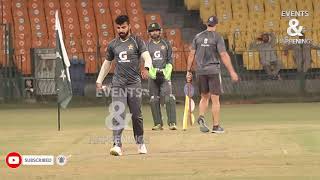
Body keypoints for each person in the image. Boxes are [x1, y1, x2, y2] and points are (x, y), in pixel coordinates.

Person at [96, 15, 153, 156]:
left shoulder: (137, 41)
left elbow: (147, 56)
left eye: (123, 27)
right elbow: (107, 64)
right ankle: (117, 145)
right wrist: (99, 80)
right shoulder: (113, 44)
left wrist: (146, 68)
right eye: (118, 28)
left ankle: (140, 143)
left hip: (134, 84)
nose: (121, 30)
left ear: (129, 27)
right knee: (118, 114)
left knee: (136, 116)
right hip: (118, 84)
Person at [186, 16, 239, 133]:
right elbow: (224, 55)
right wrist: (232, 71)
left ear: (207, 24)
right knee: (215, 99)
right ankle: (216, 126)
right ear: (216, 24)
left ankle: (201, 116)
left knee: (204, 97)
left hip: (200, 71)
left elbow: (191, 55)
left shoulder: (197, 37)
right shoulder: (218, 37)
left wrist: (188, 71)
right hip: (213, 70)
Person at [146, 22, 177, 131]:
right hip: (153, 76)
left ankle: (172, 123)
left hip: (164, 75)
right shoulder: (147, 45)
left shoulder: (166, 43)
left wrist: (167, 71)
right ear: (149, 33)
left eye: (156, 30)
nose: (154, 32)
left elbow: (169, 60)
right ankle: (158, 123)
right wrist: (151, 71)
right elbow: (146, 61)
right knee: (154, 99)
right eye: (152, 31)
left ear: (160, 31)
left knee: (169, 98)